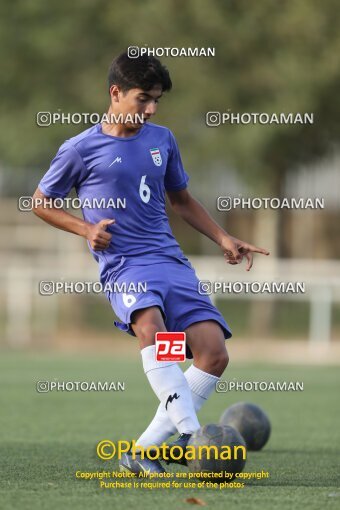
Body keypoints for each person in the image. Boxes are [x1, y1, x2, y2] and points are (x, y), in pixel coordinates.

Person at [32, 51, 269, 474]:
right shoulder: (81, 149)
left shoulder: (163, 139)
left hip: (169, 261)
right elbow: (41, 203)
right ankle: (190, 435)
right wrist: (85, 230)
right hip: (125, 265)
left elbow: (181, 200)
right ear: (116, 92)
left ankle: (141, 452)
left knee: (213, 354)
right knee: (155, 333)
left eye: (157, 100)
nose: (152, 109)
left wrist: (223, 237)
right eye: (144, 98)